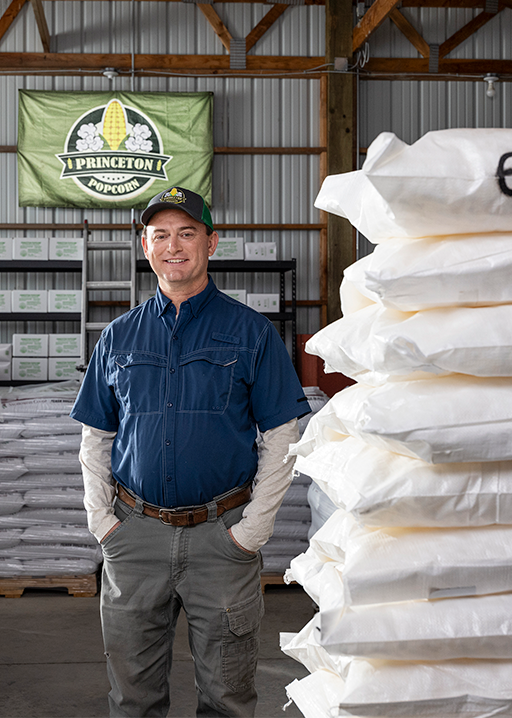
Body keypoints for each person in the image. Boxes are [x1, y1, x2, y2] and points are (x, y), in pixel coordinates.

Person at [70, 185, 311, 717]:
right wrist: (101, 521)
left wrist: (252, 533)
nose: (173, 246)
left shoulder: (251, 333)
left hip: (220, 543)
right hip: (134, 538)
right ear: (145, 245)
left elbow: (283, 435)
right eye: (161, 235)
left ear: (211, 243)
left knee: (227, 697)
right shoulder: (118, 336)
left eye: (186, 233)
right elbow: (96, 437)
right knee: (133, 697)